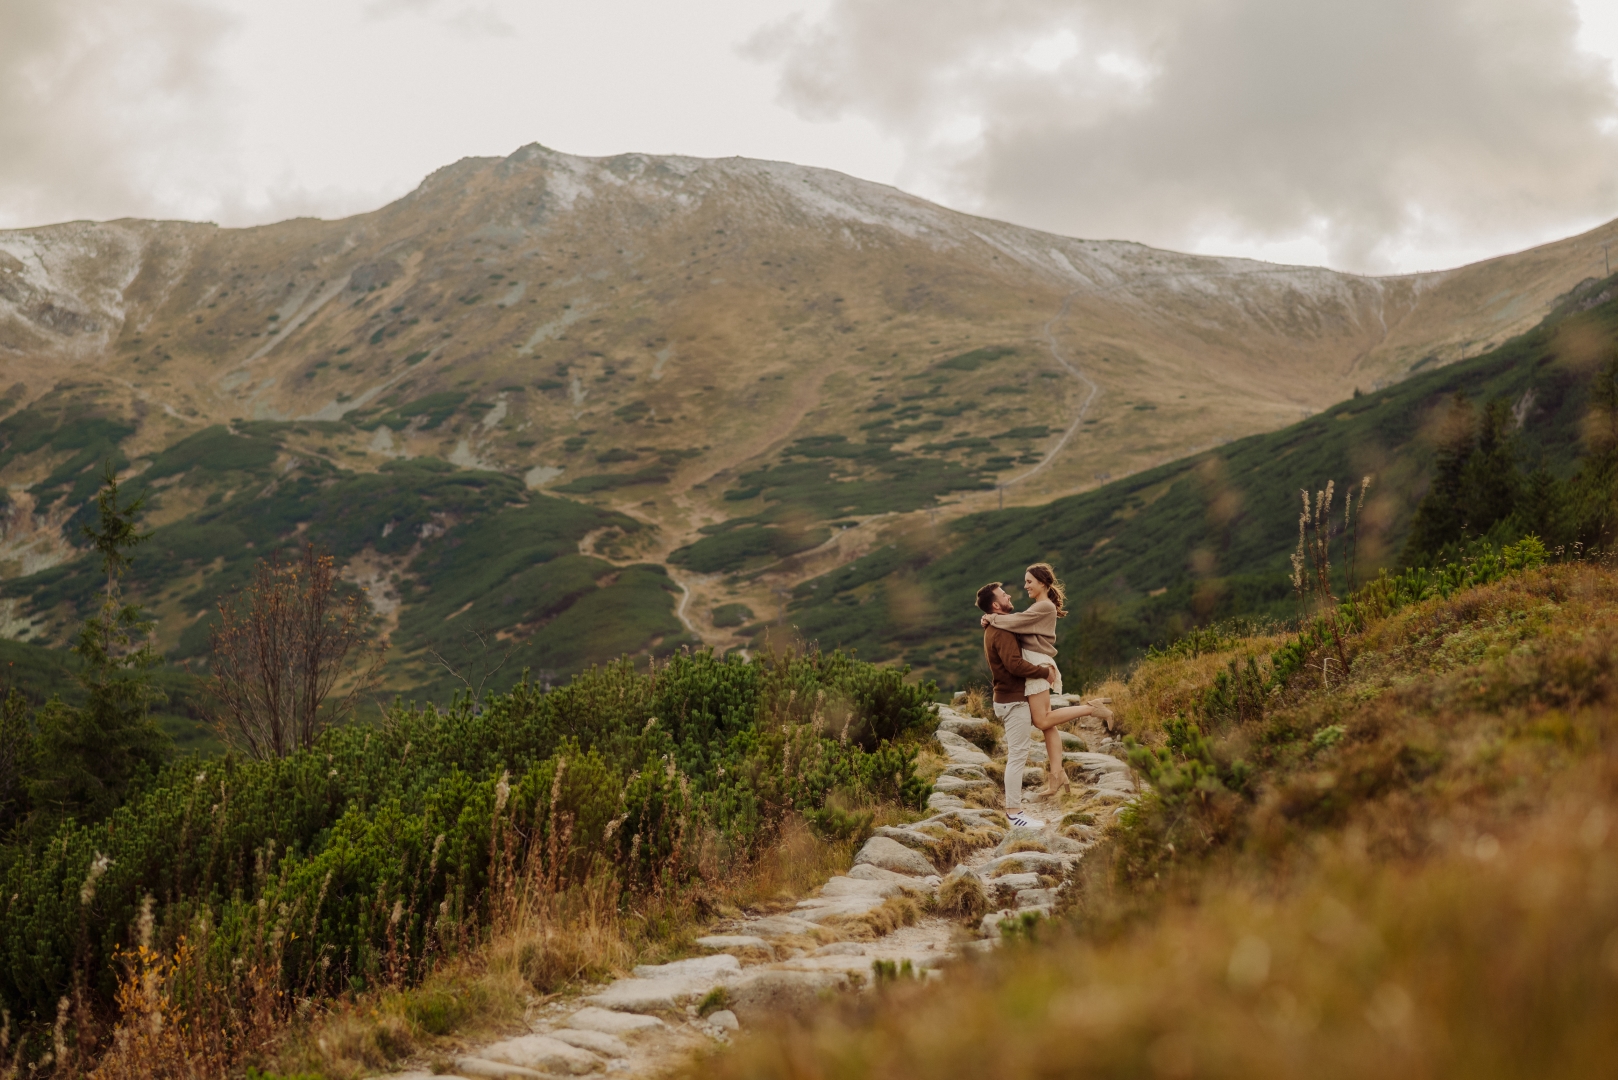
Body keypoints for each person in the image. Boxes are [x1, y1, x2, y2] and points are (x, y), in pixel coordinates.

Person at [979, 563, 1112, 797]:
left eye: (1029, 581)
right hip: (1037, 662)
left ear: (1042, 583)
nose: (1025, 586)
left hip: (1038, 664)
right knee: (1048, 725)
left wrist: (990, 617)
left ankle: (1092, 709)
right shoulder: (1040, 606)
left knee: (1042, 721)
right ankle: (1057, 776)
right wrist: (990, 618)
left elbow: (1013, 621)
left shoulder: (1044, 607)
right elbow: (1014, 621)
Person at [977, 580, 1057, 827]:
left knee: (1017, 754)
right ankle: (1014, 814)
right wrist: (1044, 672)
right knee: (1018, 756)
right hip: (1012, 701)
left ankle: (1015, 811)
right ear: (995, 604)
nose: (1009, 595)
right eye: (1004, 594)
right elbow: (1014, 665)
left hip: (1007, 699)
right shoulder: (1001, 631)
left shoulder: (998, 626)